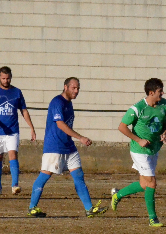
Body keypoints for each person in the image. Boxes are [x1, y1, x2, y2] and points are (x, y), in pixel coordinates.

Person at [27, 77, 107, 218]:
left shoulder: (69, 104)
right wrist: (80, 137)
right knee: (45, 175)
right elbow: (60, 124)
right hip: (54, 146)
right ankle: (32, 207)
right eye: (73, 88)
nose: (76, 91)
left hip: (68, 146)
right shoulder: (57, 102)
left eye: (78, 88)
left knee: (78, 175)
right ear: (65, 87)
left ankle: (89, 208)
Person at [110, 78, 166, 227]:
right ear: (151, 93)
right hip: (139, 150)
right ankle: (153, 219)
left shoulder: (165, 104)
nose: (162, 93)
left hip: (154, 148)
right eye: (159, 91)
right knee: (152, 182)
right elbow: (122, 127)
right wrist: (138, 140)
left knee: (144, 184)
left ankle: (117, 195)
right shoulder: (137, 108)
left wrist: (164, 132)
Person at [0, 66, 37, 195]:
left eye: (8, 78)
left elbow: (24, 111)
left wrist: (31, 127)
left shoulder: (17, 92)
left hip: (12, 131)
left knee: (13, 154)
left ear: (11, 78)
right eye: (3, 78)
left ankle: (15, 185)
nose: (6, 81)